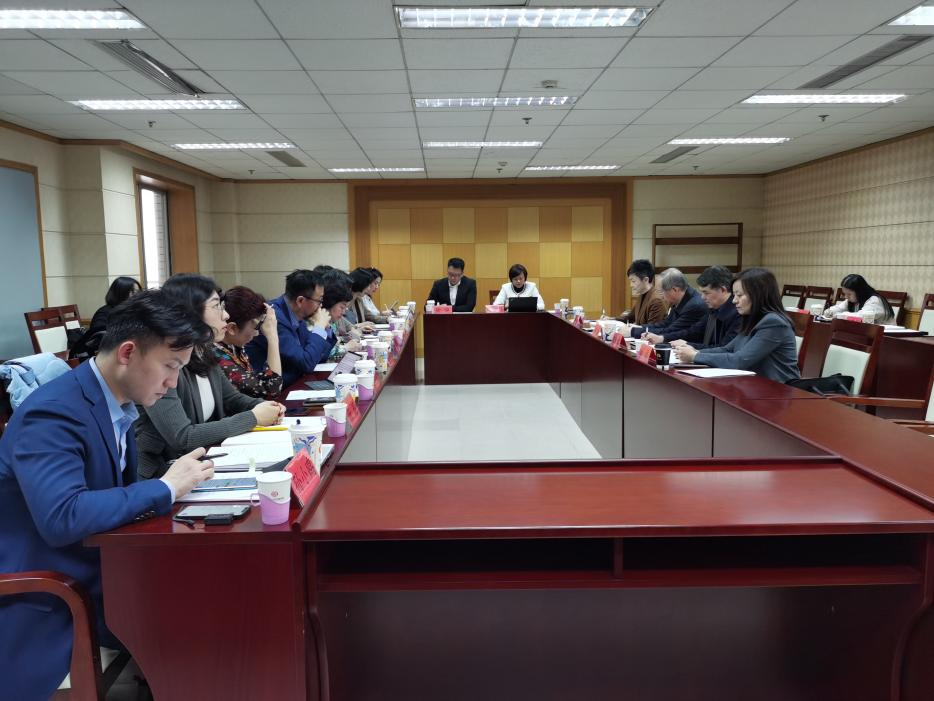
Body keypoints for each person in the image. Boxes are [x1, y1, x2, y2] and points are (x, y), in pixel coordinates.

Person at [0, 290, 216, 700]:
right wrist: (165, 486)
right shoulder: (54, 412)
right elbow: (63, 516)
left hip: (99, 566)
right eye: (170, 367)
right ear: (128, 352)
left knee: (214, 591)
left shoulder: (112, 402)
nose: (172, 383)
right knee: (205, 617)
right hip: (48, 590)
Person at [135, 274, 283, 479]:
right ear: (189, 312)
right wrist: (253, 417)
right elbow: (183, 437)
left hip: (203, 463)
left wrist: (266, 407)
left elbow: (232, 399)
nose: (225, 315)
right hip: (163, 474)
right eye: (216, 306)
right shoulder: (164, 364)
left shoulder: (204, 352)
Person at [677, 268, 801, 383]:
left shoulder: (774, 323)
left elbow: (739, 360)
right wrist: (695, 351)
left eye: (739, 295)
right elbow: (727, 349)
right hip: (755, 386)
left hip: (780, 391)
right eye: (734, 295)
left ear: (758, 295)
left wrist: (696, 356)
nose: (734, 300)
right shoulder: (752, 318)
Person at [246, 269, 332, 388]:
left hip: (294, 384)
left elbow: (318, 357)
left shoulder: (296, 314)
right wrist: (320, 328)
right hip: (272, 390)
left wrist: (325, 330)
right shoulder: (274, 318)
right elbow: (306, 363)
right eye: (319, 300)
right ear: (300, 301)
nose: (320, 306)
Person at [214, 285, 283, 400]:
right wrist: (272, 337)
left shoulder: (233, 345)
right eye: (256, 327)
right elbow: (271, 390)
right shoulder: (217, 357)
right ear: (232, 328)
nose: (257, 333)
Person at [647, 265, 741, 349]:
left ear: (723, 290)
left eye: (706, 293)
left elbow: (724, 349)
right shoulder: (714, 308)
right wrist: (663, 338)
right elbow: (693, 331)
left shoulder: (738, 313)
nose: (702, 297)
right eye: (702, 292)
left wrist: (690, 346)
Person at [70, 276, 141, 358]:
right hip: (97, 357)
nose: (138, 296)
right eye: (135, 293)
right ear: (121, 293)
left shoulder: (131, 312)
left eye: (139, 292)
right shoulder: (104, 313)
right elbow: (99, 339)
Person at [629, 268, 706, 340]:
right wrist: (639, 327)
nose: (661, 296)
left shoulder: (694, 305)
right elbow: (666, 324)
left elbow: (670, 330)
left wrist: (632, 332)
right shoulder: (680, 299)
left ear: (675, 290)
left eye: (661, 291)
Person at [823, 274, 895, 324]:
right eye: (844, 294)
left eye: (849, 294)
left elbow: (861, 317)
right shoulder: (854, 300)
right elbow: (838, 308)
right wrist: (830, 312)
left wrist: (839, 315)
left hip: (887, 337)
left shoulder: (874, 301)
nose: (846, 297)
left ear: (860, 291)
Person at [614, 259, 667, 327]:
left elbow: (652, 329)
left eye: (633, 281)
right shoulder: (642, 295)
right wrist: (610, 319)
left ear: (646, 280)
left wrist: (632, 328)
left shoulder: (656, 300)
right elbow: (630, 317)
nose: (631, 285)